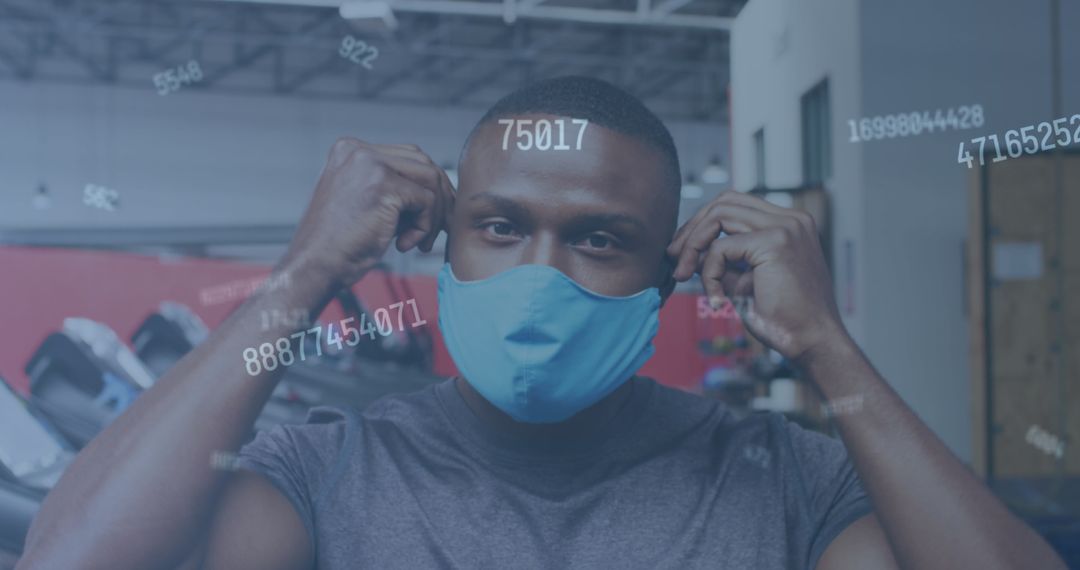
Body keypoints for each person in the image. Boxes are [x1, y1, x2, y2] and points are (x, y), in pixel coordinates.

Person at [17, 77, 1065, 570]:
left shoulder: (783, 484)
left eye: (600, 240)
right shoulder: (327, 475)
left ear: (673, 273)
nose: (539, 274)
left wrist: (829, 347)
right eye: (501, 226)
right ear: (446, 242)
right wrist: (304, 274)